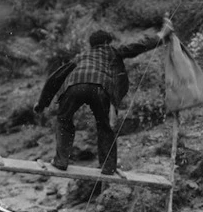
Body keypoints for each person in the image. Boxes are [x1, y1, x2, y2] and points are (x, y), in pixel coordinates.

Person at [35, 16, 174, 175]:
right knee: (104, 126)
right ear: (108, 42)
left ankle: (60, 161)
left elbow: (55, 78)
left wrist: (41, 104)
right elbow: (138, 46)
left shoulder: (80, 57)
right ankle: (108, 167)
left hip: (74, 86)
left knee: (64, 120)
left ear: (91, 45)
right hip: (100, 88)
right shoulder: (112, 51)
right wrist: (161, 35)